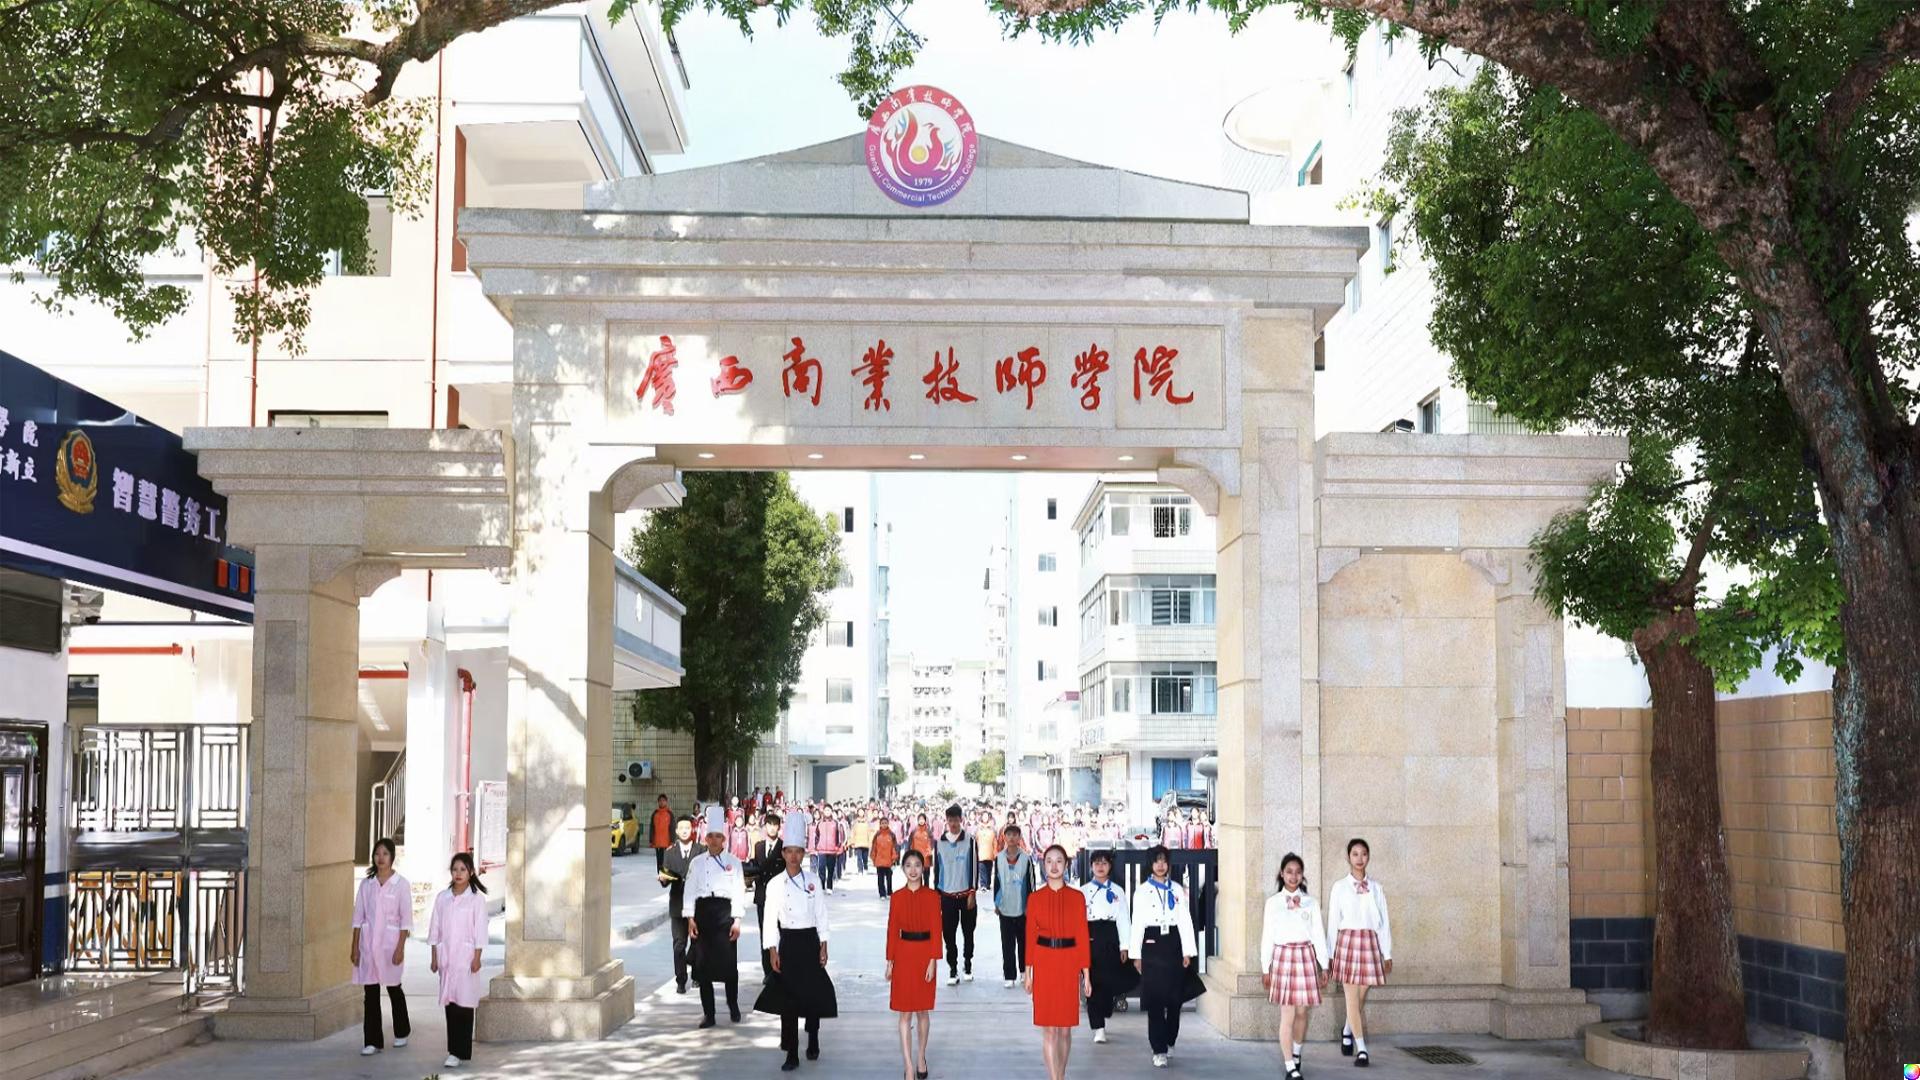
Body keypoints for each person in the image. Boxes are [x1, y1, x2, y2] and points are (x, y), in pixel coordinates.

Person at [756, 811, 838, 1072]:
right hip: (788, 942)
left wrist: (824, 944)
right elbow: (770, 920)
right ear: (783, 853)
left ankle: (813, 1037)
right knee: (788, 998)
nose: (793, 856)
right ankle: (791, 1051)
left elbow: (821, 914)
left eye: (798, 852)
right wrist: (772, 950)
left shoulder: (813, 881)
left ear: (803, 854)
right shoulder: (775, 884)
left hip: (809, 941)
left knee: (812, 994)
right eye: (789, 851)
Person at [1127, 845, 1203, 1069]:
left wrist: (1187, 950)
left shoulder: (1177, 889)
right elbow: (1137, 923)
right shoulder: (1142, 891)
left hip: (1174, 943)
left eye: (1164, 861)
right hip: (1152, 944)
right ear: (1150, 864)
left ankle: (1170, 1039)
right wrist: (1136, 954)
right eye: (1156, 861)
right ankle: (1158, 1048)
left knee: (1174, 999)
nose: (1160, 865)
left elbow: (1185, 920)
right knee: (1155, 1000)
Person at [1025, 845, 1092, 1080]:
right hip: (1044, 963)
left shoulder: (1077, 898)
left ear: (1066, 865)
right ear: (1043, 865)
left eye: (1059, 861)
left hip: (1068, 964)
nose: (1054, 866)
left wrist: (1086, 974)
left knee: (1064, 1030)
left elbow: (1082, 935)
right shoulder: (1035, 898)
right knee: (1049, 1030)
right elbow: (1030, 937)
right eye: (1049, 861)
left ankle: (1060, 1075)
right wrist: (1028, 972)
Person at [1261, 852, 1328, 1080]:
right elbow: (1267, 936)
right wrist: (1265, 967)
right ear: (1282, 874)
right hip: (1283, 957)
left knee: (1302, 1013)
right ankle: (1290, 1065)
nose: (1293, 876)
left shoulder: (1310, 903)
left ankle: (1296, 1052)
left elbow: (1318, 935)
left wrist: (1324, 965)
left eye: (1298, 872)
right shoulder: (1272, 903)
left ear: (1302, 875)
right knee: (1287, 1014)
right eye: (1289, 871)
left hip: (1305, 957)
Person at [1328, 838, 1391, 1067]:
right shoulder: (1339, 887)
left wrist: (1387, 953)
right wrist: (1330, 954)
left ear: (1368, 857)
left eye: (1363, 854)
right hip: (1347, 942)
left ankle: (1347, 1030)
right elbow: (1333, 921)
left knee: (1361, 996)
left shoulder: (1376, 888)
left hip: (1370, 943)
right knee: (1351, 998)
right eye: (1355, 854)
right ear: (1348, 857)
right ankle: (1362, 1049)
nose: (1359, 858)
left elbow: (1383, 922)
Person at [685, 806, 746, 1027]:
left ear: (724, 839)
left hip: (724, 914)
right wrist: (690, 918)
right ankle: (709, 1014)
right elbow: (689, 890)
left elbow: (739, 891)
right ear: (705, 838)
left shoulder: (734, 862)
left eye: (718, 836)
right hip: (703, 914)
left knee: (729, 966)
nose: (713, 840)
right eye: (710, 836)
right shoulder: (697, 862)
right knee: (702, 967)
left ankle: (733, 1004)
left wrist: (737, 920)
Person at [352, 838, 413, 1056]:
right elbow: (358, 917)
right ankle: (372, 1041)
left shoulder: (401, 884)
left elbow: (406, 920)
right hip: (368, 944)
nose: (381, 858)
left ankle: (402, 1031)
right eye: (377, 853)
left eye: (385, 854)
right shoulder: (366, 884)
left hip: (390, 944)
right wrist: (355, 947)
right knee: (370, 991)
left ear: (392, 857)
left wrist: (400, 948)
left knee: (394, 987)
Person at [428, 852, 488, 1070]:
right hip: (447, 958)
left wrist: (477, 957)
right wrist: (434, 957)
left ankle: (461, 1050)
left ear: (470, 872)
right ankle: (453, 1051)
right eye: (455, 869)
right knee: (451, 1003)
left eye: (463, 869)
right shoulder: (442, 898)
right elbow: (435, 928)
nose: (458, 873)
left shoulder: (476, 900)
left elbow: (480, 930)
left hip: (466, 957)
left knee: (464, 1003)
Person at [886, 849, 942, 1080]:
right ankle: (909, 1065)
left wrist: (933, 961)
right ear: (902, 869)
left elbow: (937, 930)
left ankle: (921, 1057)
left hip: (924, 956)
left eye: (917, 865)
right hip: (903, 955)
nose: (913, 870)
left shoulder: (932, 897)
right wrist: (890, 961)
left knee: (922, 1010)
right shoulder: (897, 897)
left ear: (923, 868)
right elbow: (892, 931)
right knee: (904, 1013)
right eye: (908, 865)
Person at [1081, 849, 1138, 1044]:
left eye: (1104, 863)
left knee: (1109, 980)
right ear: (1091, 866)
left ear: (1110, 866)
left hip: (1111, 936)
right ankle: (1098, 1027)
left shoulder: (1118, 891)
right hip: (1091, 935)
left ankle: (1106, 1010)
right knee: (1093, 981)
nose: (1100, 867)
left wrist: (1125, 946)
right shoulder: (1083, 891)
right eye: (1096, 863)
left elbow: (1123, 919)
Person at [931, 804, 977, 985]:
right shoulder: (940, 842)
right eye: (950, 820)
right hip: (947, 896)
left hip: (966, 896)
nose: (953, 824)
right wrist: (936, 894)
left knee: (968, 932)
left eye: (956, 820)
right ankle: (953, 968)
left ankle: (968, 964)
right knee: (948, 935)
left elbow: (974, 868)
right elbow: (937, 870)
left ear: (961, 820)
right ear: (946, 821)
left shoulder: (970, 841)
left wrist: (972, 892)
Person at [992, 824, 1036, 989]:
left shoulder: (1026, 859)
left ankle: (1024, 972)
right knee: (1007, 944)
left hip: (1022, 908)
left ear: (1019, 838)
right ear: (1004, 837)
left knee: (1023, 942)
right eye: (1008, 834)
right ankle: (1009, 975)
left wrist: (1030, 906)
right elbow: (996, 882)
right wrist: (996, 903)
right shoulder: (999, 858)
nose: (1011, 838)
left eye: (1014, 835)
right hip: (1005, 907)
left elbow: (1031, 884)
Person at [660, 814, 697, 994]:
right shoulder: (669, 852)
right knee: (679, 944)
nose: (684, 831)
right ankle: (681, 980)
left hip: (697, 906)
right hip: (678, 904)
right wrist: (663, 879)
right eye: (681, 828)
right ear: (676, 831)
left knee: (698, 943)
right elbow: (665, 877)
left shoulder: (701, 850)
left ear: (692, 829)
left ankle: (697, 975)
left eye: (687, 828)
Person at [748, 813, 785, 978]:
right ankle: (768, 972)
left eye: (775, 825)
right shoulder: (759, 846)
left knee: (784, 933)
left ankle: (784, 967)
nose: (772, 828)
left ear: (779, 827)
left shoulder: (784, 847)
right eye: (769, 825)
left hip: (781, 897)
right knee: (766, 934)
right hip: (762, 896)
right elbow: (756, 867)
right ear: (765, 827)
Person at [811, 810, 844, 895]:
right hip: (821, 850)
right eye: (826, 810)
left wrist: (837, 846)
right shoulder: (820, 823)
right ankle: (822, 886)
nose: (827, 812)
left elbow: (839, 836)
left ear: (831, 812)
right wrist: (816, 846)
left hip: (832, 850)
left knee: (830, 869)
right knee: (821, 869)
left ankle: (829, 887)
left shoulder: (835, 823)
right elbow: (816, 836)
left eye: (829, 810)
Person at [872, 818, 899, 898]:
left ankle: (889, 892)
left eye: (885, 823)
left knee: (889, 877)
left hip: (889, 860)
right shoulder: (877, 835)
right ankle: (882, 893)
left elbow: (894, 847)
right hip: (879, 860)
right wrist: (873, 857)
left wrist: (894, 858)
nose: (884, 825)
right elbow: (874, 847)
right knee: (880, 878)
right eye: (882, 823)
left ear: (888, 824)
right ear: (880, 824)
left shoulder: (891, 835)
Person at [650, 794, 675, 872]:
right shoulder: (655, 813)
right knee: (659, 860)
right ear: (658, 802)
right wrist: (651, 840)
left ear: (666, 802)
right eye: (660, 801)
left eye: (663, 801)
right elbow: (652, 827)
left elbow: (672, 828)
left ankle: (666, 874)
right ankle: (660, 873)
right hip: (657, 842)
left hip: (667, 842)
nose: (662, 802)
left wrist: (672, 840)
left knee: (666, 860)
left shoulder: (669, 814)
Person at [852, 811, 874, 876]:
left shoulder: (867, 822)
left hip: (865, 842)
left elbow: (870, 833)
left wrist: (870, 842)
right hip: (858, 842)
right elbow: (853, 832)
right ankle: (860, 870)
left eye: (862, 812)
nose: (861, 813)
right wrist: (852, 842)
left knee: (865, 857)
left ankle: (865, 867)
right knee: (859, 857)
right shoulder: (855, 823)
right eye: (860, 812)